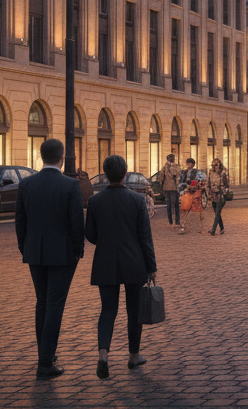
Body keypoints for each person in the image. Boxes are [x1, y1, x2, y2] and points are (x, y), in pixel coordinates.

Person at [16, 139, 85, 380]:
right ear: (62, 158)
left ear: (41, 157)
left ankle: (45, 354)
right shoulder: (70, 185)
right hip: (63, 253)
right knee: (54, 303)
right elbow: (77, 221)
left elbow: (20, 221)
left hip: (34, 251)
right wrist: (78, 249)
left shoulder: (26, 184)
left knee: (42, 302)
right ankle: (45, 362)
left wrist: (25, 247)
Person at [85, 154, 157, 379]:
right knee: (134, 310)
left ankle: (103, 356)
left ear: (105, 175)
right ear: (124, 173)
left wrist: (105, 241)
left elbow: (90, 235)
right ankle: (133, 355)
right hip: (134, 261)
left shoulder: (95, 201)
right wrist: (151, 266)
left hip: (105, 262)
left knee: (107, 310)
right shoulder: (137, 200)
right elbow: (145, 237)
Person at [179, 158, 205, 235]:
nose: (189, 165)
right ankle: (183, 225)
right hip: (187, 192)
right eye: (188, 163)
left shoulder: (197, 172)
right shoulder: (184, 172)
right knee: (185, 208)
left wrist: (196, 186)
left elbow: (202, 181)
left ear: (193, 165)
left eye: (190, 164)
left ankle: (201, 227)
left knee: (198, 209)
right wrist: (182, 189)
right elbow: (181, 182)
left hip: (194, 192)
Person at [206, 159, 229, 236]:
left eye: (216, 165)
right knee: (216, 212)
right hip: (213, 194)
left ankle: (213, 230)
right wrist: (208, 194)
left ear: (220, 165)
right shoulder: (210, 172)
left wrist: (224, 190)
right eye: (213, 165)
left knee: (217, 212)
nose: (214, 167)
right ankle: (222, 228)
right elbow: (208, 183)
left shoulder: (223, 173)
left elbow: (227, 184)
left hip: (221, 194)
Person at [159, 154, 181, 226]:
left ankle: (170, 221)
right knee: (176, 205)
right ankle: (177, 221)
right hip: (174, 188)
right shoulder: (177, 166)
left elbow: (161, 177)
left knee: (168, 205)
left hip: (167, 188)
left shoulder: (165, 167)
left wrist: (162, 185)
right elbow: (179, 176)